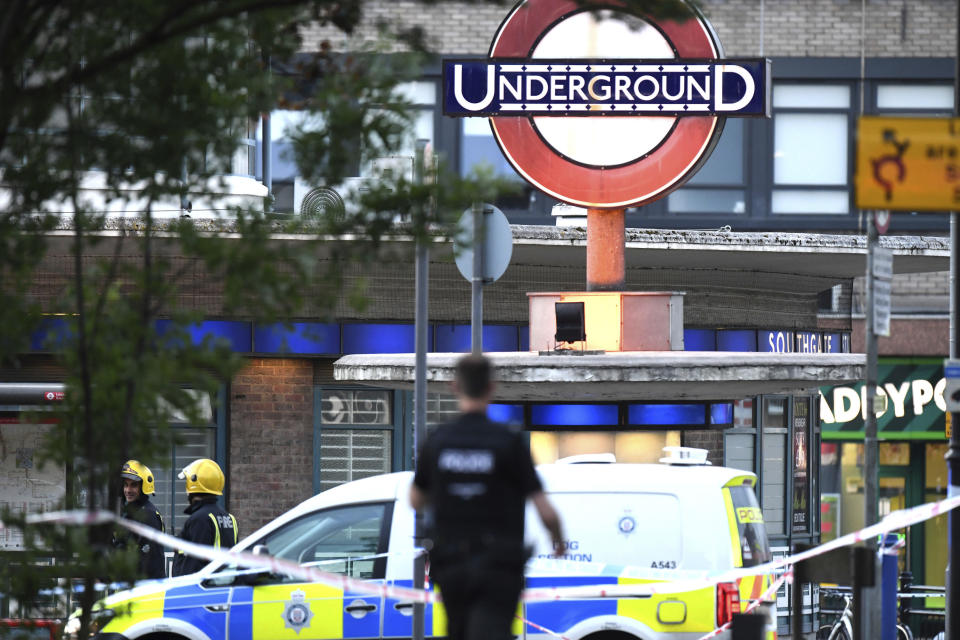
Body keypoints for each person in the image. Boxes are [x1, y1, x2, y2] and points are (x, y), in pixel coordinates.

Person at [409, 354, 565, 640]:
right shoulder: (508, 441)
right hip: (498, 566)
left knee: (458, 630)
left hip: (452, 564)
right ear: (491, 389)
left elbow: (415, 500)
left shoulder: (439, 440)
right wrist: (558, 539)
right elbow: (545, 509)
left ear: (455, 387)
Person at [171, 458, 238, 577]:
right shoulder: (229, 518)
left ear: (193, 483)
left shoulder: (199, 519)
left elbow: (194, 564)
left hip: (199, 591)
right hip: (222, 586)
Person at [114, 459, 167, 580]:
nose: (128, 490)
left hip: (147, 588)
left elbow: (146, 560)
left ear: (144, 487)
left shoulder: (147, 515)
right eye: (126, 485)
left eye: (133, 485)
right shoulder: (131, 513)